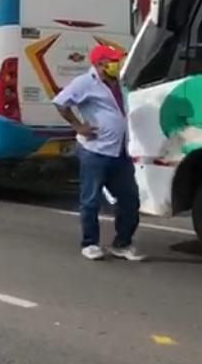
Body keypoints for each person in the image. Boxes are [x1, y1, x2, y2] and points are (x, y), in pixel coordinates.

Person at [53, 44, 146, 262]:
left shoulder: (120, 82)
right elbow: (61, 103)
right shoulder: (85, 83)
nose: (118, 64)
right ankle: (90, 243)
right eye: (113, 61)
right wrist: (78, 126)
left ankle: (122, 243)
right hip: (95, 151)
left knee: (130, 198)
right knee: (91, 200)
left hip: (120, 151)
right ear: (100, 64)